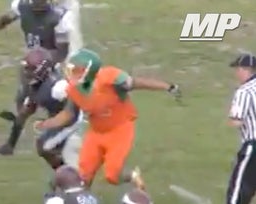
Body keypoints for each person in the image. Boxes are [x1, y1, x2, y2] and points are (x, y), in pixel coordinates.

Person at [35, 48, 181, 188]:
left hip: (119, 130)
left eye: (76, 69)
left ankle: (132, 176)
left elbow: (137, 83)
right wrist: (48, 124)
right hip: (96, 132)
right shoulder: (74, 89)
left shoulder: (110, 79)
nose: (71, 72)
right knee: (83, 177)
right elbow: (68, 114)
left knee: (112, 176)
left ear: (88, 71)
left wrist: (167, 87)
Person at [0, 47, 82, 172]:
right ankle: (10, 145)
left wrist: (55, 122)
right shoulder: (37, 83)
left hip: (69, 118)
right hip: (55, 111)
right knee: (24, 114)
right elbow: (27, 108)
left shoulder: (57, 88)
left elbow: (76, 101)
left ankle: (68, 177)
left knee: (44, 147)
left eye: (30, 69)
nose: (26, 72)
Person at [221, 53, 256, 204]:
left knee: (236, 198)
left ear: (246, 70)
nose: (236, 73)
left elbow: (237, 120)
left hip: (253, 147)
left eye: (238, 69)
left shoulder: (244, 91)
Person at [0, 0, 73, 63]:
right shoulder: (22, 7)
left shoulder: (60, 18)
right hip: (32, 58)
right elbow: (5, 19)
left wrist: (43, 61)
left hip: (51, 63)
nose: (38, 4)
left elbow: (62, 52)